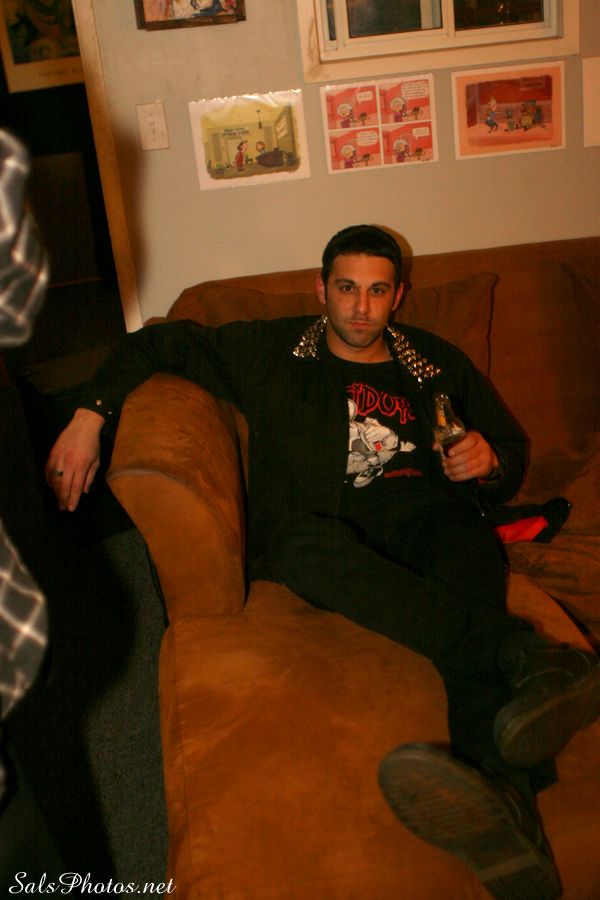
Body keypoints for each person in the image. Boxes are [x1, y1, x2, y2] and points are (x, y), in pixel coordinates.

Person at [46, 224, 600, 899]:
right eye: (346, 289)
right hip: (328, 533)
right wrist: (90, 416)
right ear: (321, 289)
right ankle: (527, 653)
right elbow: (156, 342)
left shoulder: (434, 363)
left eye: (377, 291)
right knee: (298, 548)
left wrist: (488, 463)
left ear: (398, 295)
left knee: (467, 566)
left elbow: (508, 455)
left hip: (436, 521)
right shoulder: (273, 351)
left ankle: (510, 815)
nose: (361, 308)